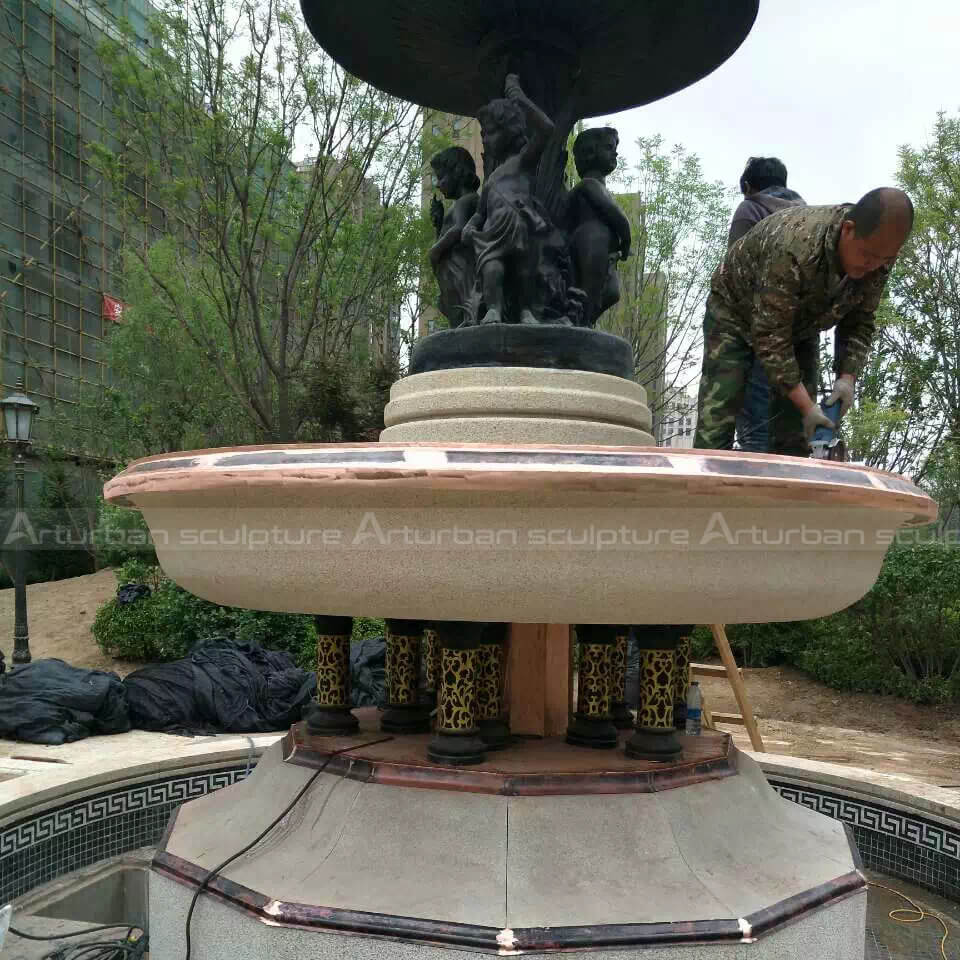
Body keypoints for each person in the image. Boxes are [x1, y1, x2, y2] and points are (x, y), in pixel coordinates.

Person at [694, 187, 914, 457]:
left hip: (802, 322)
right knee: (717, 421)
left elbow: (860, 320)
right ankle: (708, 494)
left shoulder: (879, 254)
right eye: (868, 256)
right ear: (848, 229)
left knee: (797, 434)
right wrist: (807, 406)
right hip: (734, 312)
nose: (873, 266)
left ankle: (788, 496)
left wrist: (846, 379)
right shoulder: (794, 248)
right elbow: (771, 339)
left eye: (885, 259)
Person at [462, 74, 554, 326]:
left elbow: (546, 129)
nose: (484, 138)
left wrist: (521, 99)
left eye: (490, 132)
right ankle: (493, 309)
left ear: (510, 131)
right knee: (493, 270)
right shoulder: (491, 179)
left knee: (525, 271)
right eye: (483, 133)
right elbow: (481, 213)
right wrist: (470, 225)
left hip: (521, 231)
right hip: (492, 236)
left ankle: (526, 311)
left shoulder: (523, 161)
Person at [728, 158, 806, 453]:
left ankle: (753, 488)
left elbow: (733, 272)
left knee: (753, 416)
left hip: (758, 328)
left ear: (748, 187)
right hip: (796, 333)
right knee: (789, 419)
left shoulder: (750, 207)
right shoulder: (805, 213)